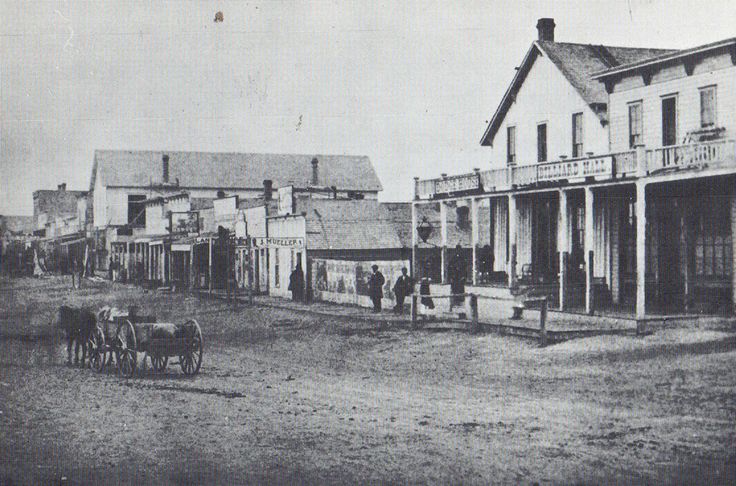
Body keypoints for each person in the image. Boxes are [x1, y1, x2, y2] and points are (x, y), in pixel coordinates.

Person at [449, 244, 466, 309]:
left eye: (459, 250)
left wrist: (464, 276)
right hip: (455, 278)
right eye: (457, 250)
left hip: (460, 278)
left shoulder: (462, 259)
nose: (458, 251)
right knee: (454, 291)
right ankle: (454, 305)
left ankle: (461, 306)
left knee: (460, 291)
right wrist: (451, 277)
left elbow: (465, 268)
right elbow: (450, 268)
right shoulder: (453, 259)